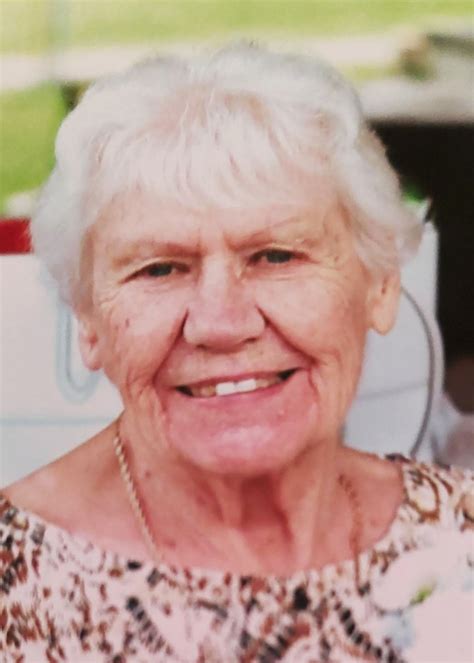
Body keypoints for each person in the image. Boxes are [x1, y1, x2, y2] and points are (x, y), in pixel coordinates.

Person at [1, 43, 472, 663]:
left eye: (276, 256)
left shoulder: (458, 536)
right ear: (88, 320)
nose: (220, 324)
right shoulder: (15, 583)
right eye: (160, 269)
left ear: (380, 285)